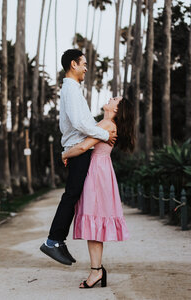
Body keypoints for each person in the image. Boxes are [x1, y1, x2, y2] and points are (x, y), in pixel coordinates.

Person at [40, 49, 117, 266]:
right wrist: (105, 135)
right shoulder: (71, 90)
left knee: (73, 196)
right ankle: (53, 241)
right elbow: (79, 123)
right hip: (78, 148)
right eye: (83, 63)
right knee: (71, 195)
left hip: (76, 147)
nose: (86, 68)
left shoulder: (72, 89)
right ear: (73, 64)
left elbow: (79, 123)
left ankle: (57, 241)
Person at [62, 95, 135, 288]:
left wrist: (65, 154)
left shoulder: (107, 125)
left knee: (94, 220)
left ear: (117, 110)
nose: (111, 98)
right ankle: (97, 270)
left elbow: (85, 146)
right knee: (93, 223)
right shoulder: (102, 123)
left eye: (115, 99)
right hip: (96, 171)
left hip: (96, 174)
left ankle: (96, 271)